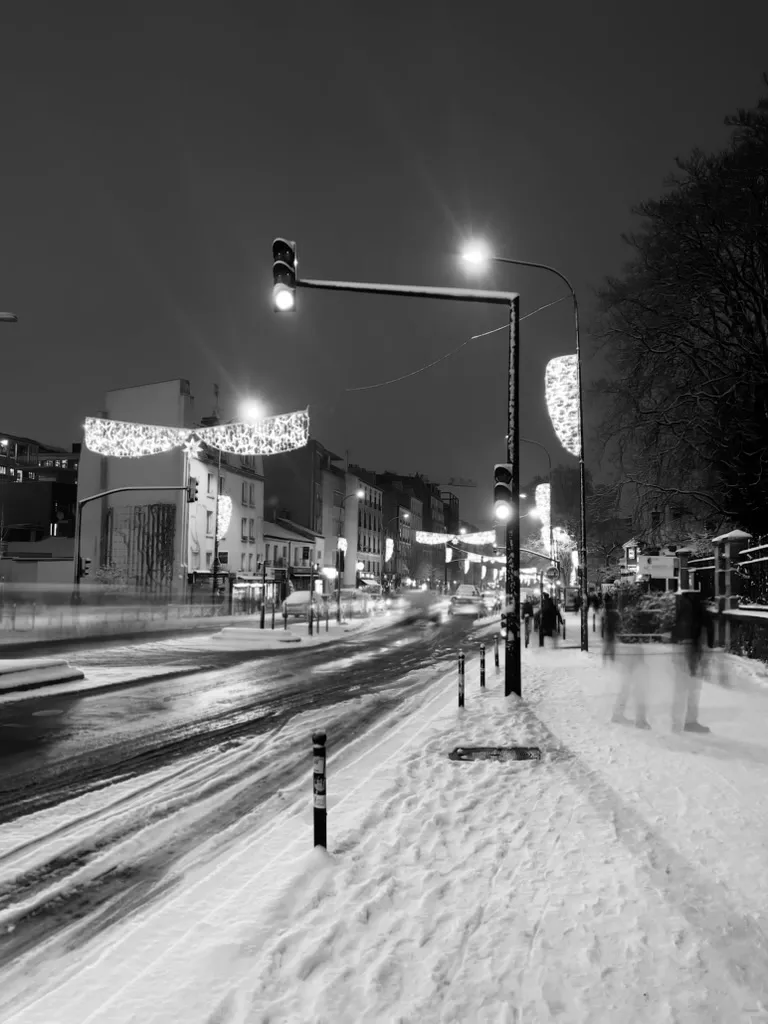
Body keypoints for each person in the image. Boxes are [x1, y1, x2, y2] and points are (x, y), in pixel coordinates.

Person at [671, 590, 712, 734]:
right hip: (690, 653)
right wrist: (694, 663)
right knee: (692, 689)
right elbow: (695, 635)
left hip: (680, 651)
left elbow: (674, 633)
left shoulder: (682, 609)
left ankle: (677, 722)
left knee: (681, 689)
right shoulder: (696, 611)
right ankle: (689, 721)